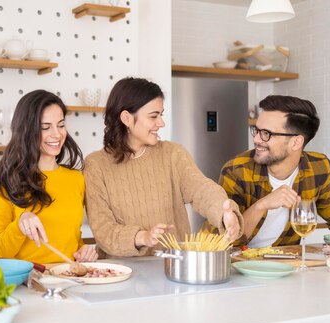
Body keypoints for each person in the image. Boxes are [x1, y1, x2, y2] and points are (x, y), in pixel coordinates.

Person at [83, 77, 243, 258]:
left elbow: (201, 189)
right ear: (126, 118)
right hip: (119, 275)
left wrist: (224, 213)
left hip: (173, 269)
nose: (161, 123)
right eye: (153, 116)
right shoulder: (95, 165)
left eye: (161, 114)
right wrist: (142, 236)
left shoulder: (172, 153)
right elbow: (103, 229)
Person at [217, 95, 330, 248]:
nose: (256, 139)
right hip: (237, 262)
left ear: (296, 142)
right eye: (256, 130)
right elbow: (227, 238)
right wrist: (262, 205)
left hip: (284, 261)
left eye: (266, 133)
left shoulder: (319, 167)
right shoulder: (237, 171)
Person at [0, 90, 98, 263]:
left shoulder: (76, 179)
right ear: (26, 131)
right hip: (28, 283)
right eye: (45, 128)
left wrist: (83, 250)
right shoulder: (5, 181)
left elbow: (71, 240)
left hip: (68, 279)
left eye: (61, 125)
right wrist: (20, 225)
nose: (57, 134)